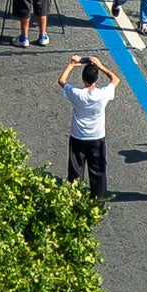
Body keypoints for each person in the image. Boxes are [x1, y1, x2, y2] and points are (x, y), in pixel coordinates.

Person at [56, 55, 115, 200]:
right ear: (96, 80)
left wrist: (71, 65)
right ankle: (98, 199)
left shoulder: (77, 94)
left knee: (76, 169)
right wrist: (100, 65)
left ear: (83, 80)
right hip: (97, 136)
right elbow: (115, 80)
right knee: (98, 170)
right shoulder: (102, 94)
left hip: (78, 135)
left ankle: (74, 198)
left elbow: (61, 81)